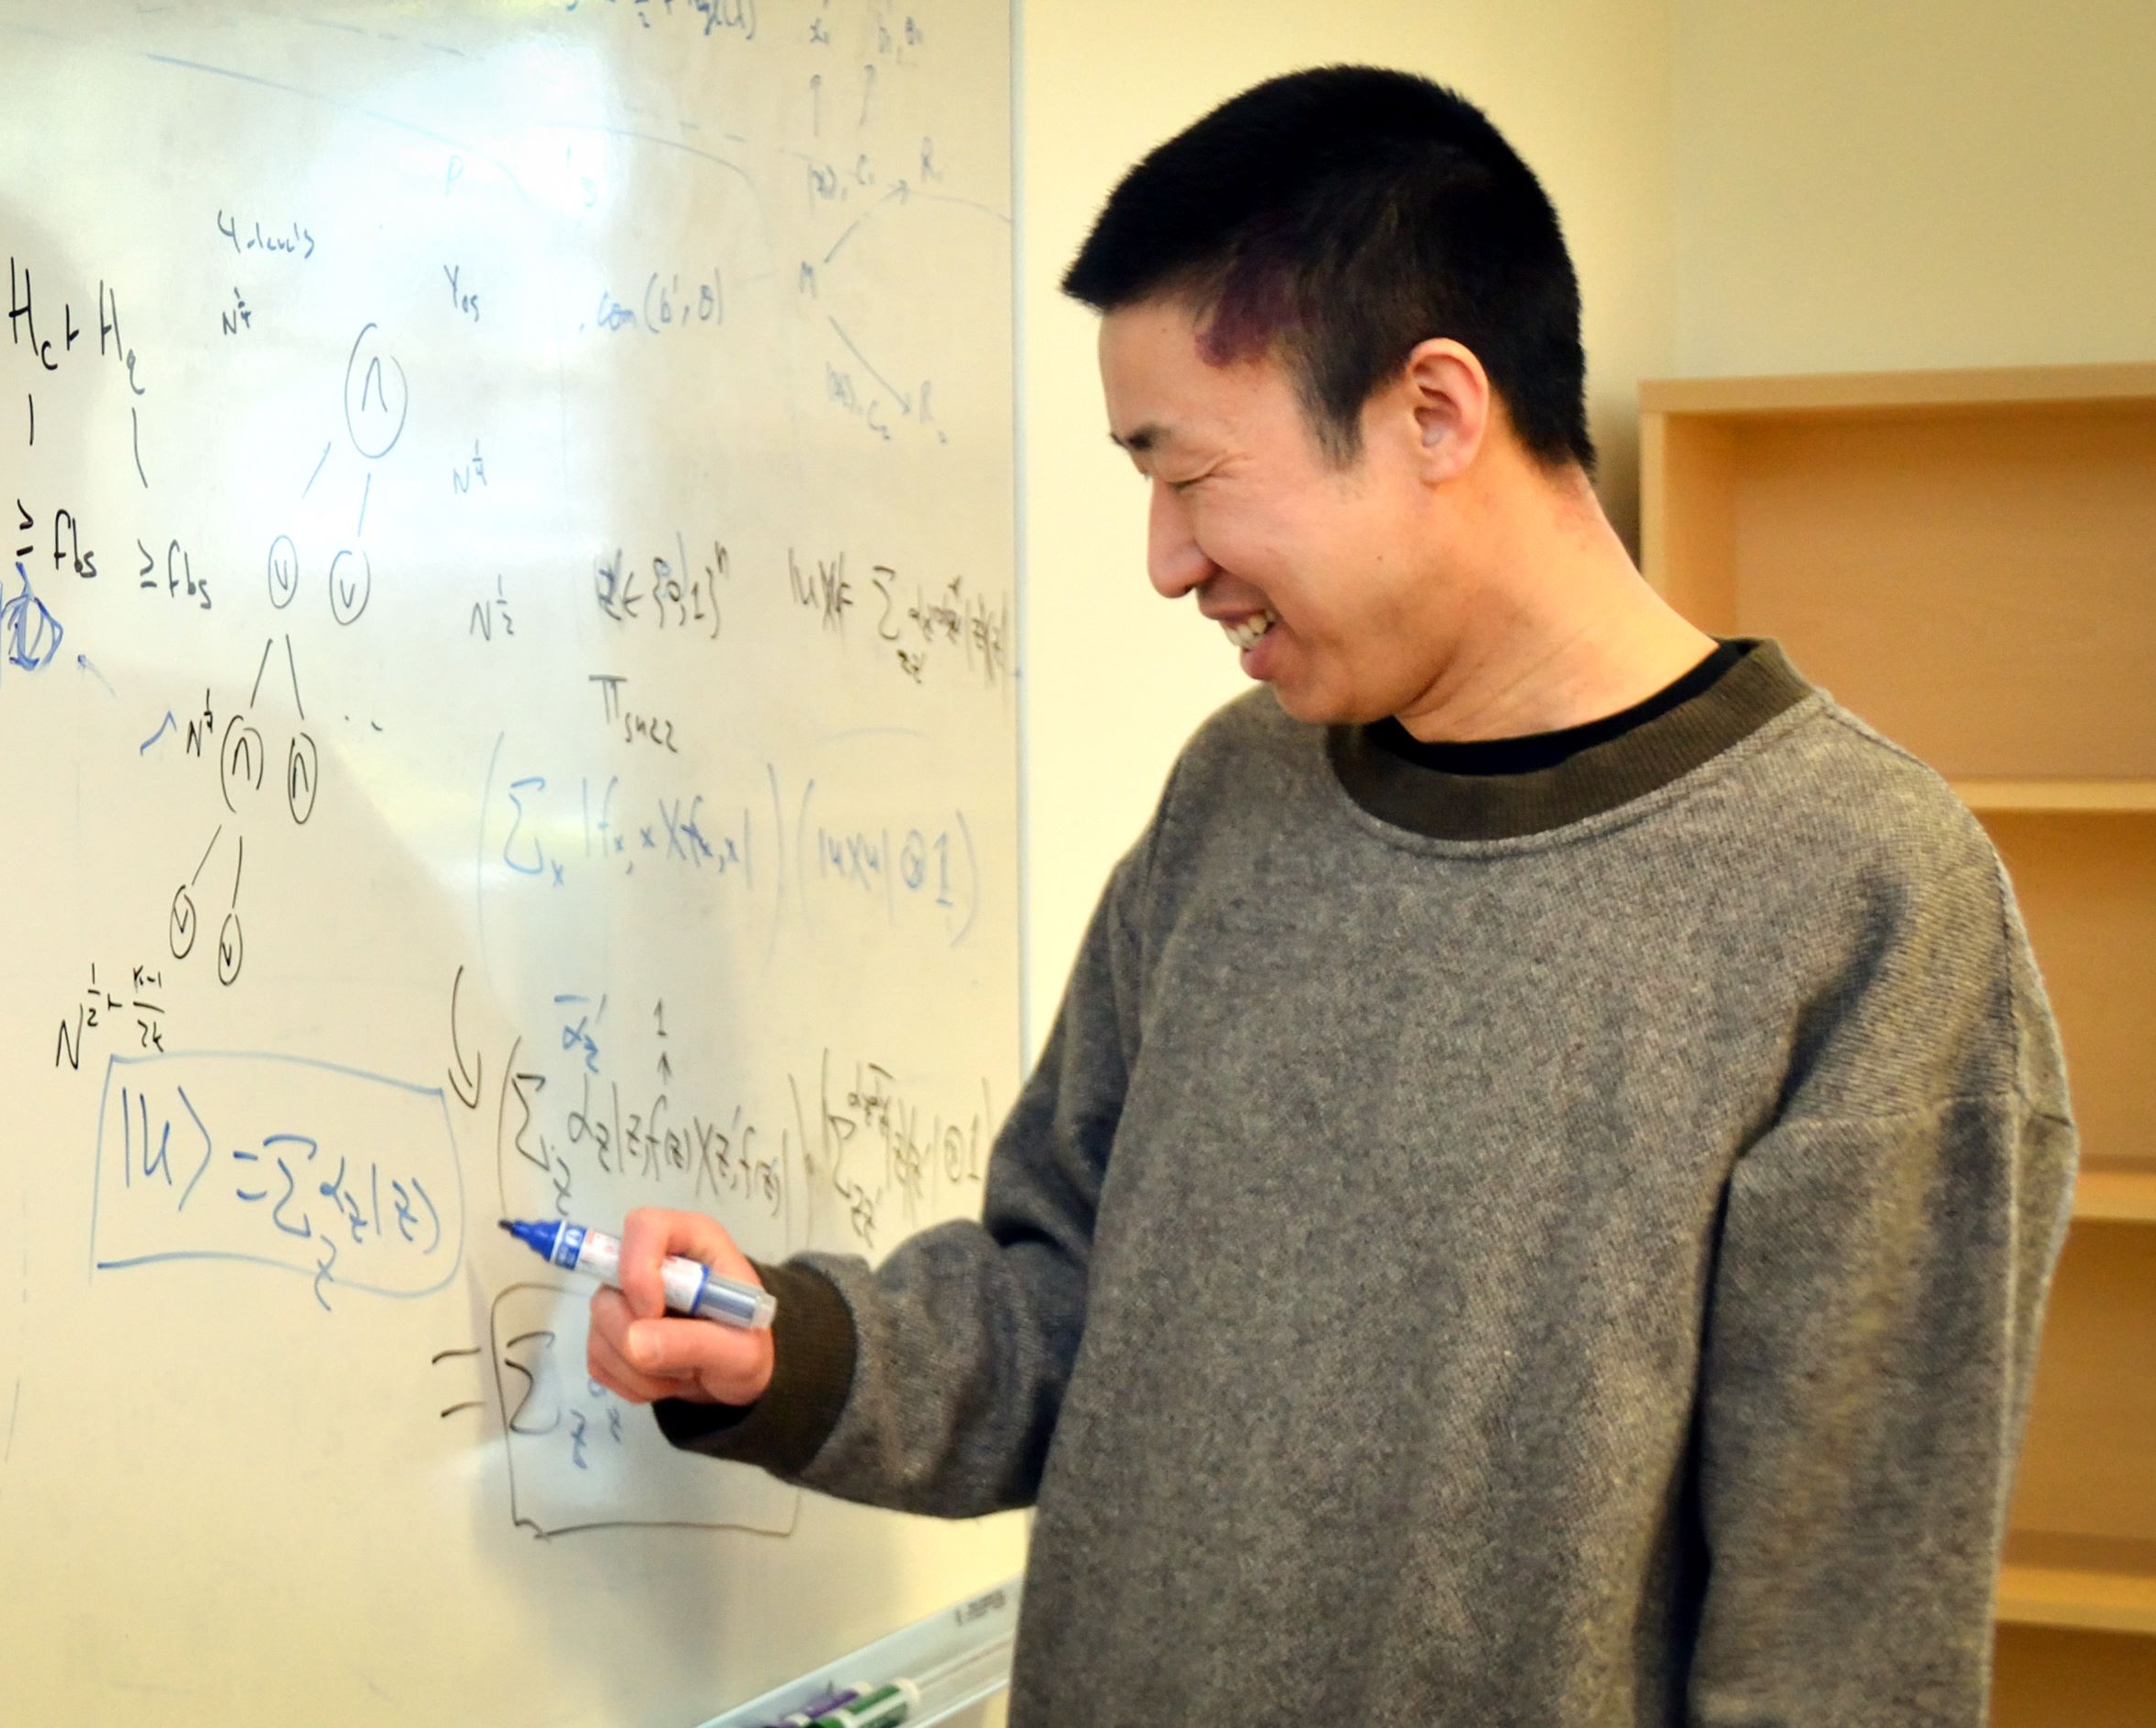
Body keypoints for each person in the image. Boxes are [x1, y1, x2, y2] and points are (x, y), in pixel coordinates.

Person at [583, 64, 2077, 1724]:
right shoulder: (1238, 796)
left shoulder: (1863, 901)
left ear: (1433, 410)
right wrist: (790, 1348)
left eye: (1188, 472)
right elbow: (1070, 1305)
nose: (1163, 557)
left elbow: (1842, 1648)